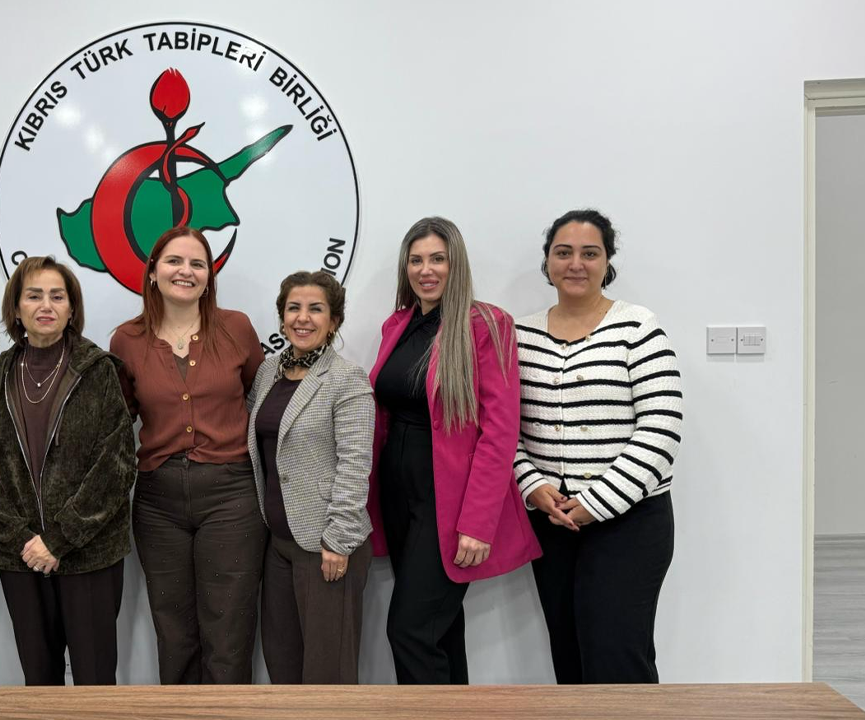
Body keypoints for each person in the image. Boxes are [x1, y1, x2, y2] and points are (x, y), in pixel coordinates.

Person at [367, 216, 541, 685]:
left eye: (438, 259)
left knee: (409, 631)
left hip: (447, 500)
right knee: (437, 632)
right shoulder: (397, 324)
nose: (426, 270)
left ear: (456, 263)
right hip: (397, 494)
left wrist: (478, 523)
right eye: (416, 260)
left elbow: (500, 432)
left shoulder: (487, 324)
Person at [514, 209, 681, 684]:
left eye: (590, 253)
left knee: (617, 659)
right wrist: (531, 485)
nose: (575, 264)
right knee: (569, 659)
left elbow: (661, 427)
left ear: (607, 262)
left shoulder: (637, 327)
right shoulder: (519, 335)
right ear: (547, 261)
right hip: (552, 520)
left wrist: (597, 503)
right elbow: (503, 428)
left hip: (629, 522)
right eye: (563, 252)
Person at [0, 256, 135, 686]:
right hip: (20, 557)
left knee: (95, 681)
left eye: (57, 296)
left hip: (89, 554)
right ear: (16, 307)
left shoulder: (99, 371)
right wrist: (22, 539)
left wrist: (58, 539)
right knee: (39, 682)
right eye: (34, 295)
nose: (46, 305)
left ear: (72, 309)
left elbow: (116, 465)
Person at [109, 226, 266, 684]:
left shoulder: (236, 328)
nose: (186, 271)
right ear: (153, 272)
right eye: (174, 261)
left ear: (209, 276)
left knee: (229, 629)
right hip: (158, 502)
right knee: (174, 631)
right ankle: (179, 713)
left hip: (231, 496)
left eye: (198, 263)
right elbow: (119, 418)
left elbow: (261, 397)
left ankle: (227, 715)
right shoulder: (126, 340)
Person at [246, 271, 374, 684]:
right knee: (281, 662)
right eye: (293, 308)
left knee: (327, 674)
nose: (303, 318)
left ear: (333, 321)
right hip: (278, 544)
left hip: (326, 546)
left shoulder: (346, 379)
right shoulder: (268, 372)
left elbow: (355, 464)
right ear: (282, 318)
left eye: (315, 309)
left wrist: (338, 540)